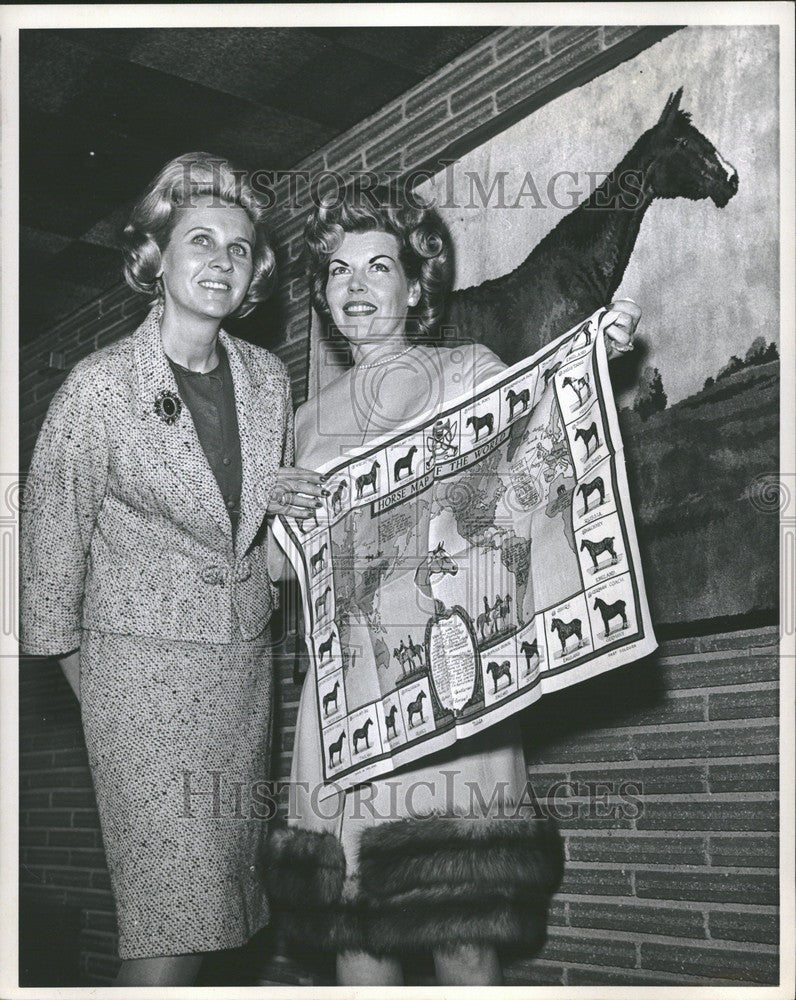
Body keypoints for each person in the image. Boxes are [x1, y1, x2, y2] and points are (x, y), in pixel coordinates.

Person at [264, 185, 640, 986]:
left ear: (413, 286)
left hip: (455, 692)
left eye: (377, 266)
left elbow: (533, 469)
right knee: (356, 941)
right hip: (345, 715)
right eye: (337, 271)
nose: (356, 286)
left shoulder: (465, 369)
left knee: (465, 936)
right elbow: (273, 574)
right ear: (325, 295)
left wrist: (588, 372)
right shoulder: (299, 422)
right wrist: (277, 513)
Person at [19, 152, 324, 987]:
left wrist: (293, 521)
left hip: (240, 682)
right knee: (166, 926)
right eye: (201, 240)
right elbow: (44, 581)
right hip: (138, 687)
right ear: (157, 256)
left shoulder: (267, 382)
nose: (221, 262)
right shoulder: (97, 388)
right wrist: (116, 698)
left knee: (215, 920)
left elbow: (251, 550)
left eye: (239, 248)